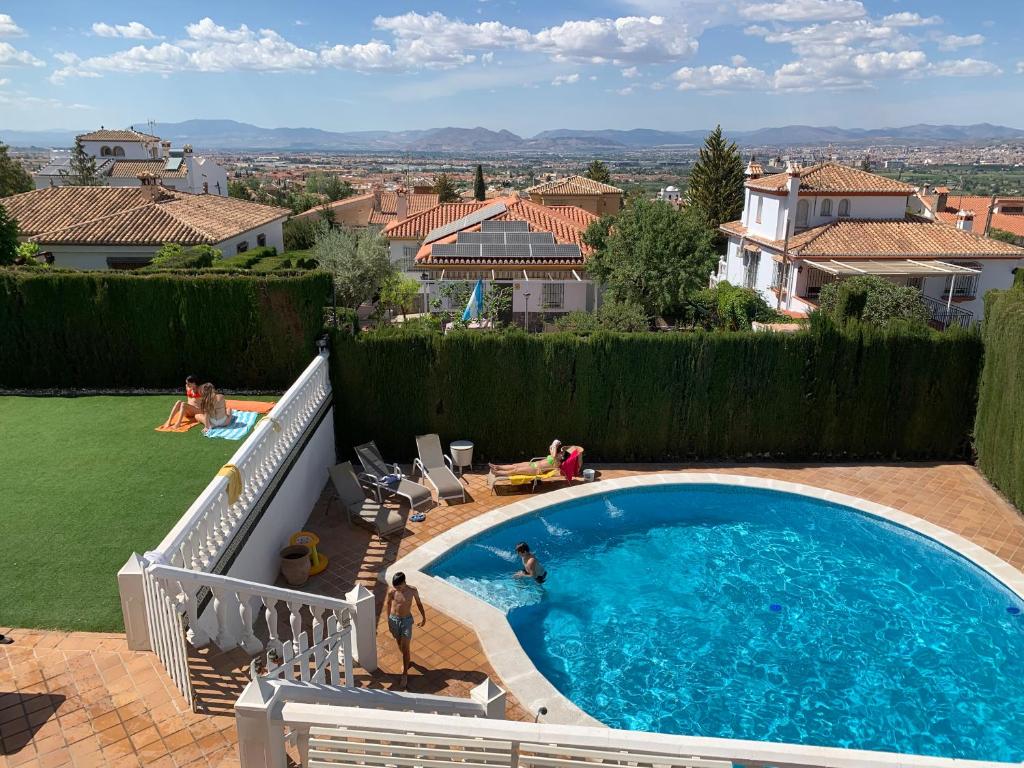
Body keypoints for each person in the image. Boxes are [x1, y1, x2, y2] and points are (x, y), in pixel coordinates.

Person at [384, 571, 426, 689]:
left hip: (407, 621)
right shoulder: (392, 592)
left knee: (405, 646)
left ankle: (405, 674)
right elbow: (387, 604)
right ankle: (407, 660)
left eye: (399, 586)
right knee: (400, 644)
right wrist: (388, 620)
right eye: (395, 586)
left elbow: (419, 603)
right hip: (394, 620)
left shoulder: (412, 590)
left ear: (404, 582)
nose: (397, 588)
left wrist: (423, 617)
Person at [489, 439, 581, 478]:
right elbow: (551, 449)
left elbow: (553, 454)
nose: (560, 453)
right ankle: (497, 466)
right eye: (561, 452)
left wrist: (555, 445)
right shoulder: (555, 456)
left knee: (516, 470)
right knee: (515, 465)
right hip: (533, 464)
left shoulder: (557, 462)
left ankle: (498, 473)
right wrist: (554, 446)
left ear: (562, 458)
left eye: (562, 453)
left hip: (536, 470)